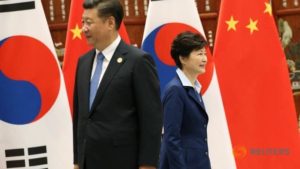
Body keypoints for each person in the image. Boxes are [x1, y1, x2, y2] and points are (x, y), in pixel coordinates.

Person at [73, 0, 162, 169]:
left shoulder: (138, 61)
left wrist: (148, 165)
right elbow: (80, 117)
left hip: (123, 161)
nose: (84, 28)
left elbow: (151, 120)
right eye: (83, 22)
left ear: (110, 23)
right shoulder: (83, 62)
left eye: (89, 22)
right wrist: (77, 160)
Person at [159, 32, 211, 169]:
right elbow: (171, 138)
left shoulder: (194, 88)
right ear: (182, 58)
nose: (205, 59)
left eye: (205, 54)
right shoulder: (175, 90)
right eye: (199, 54)